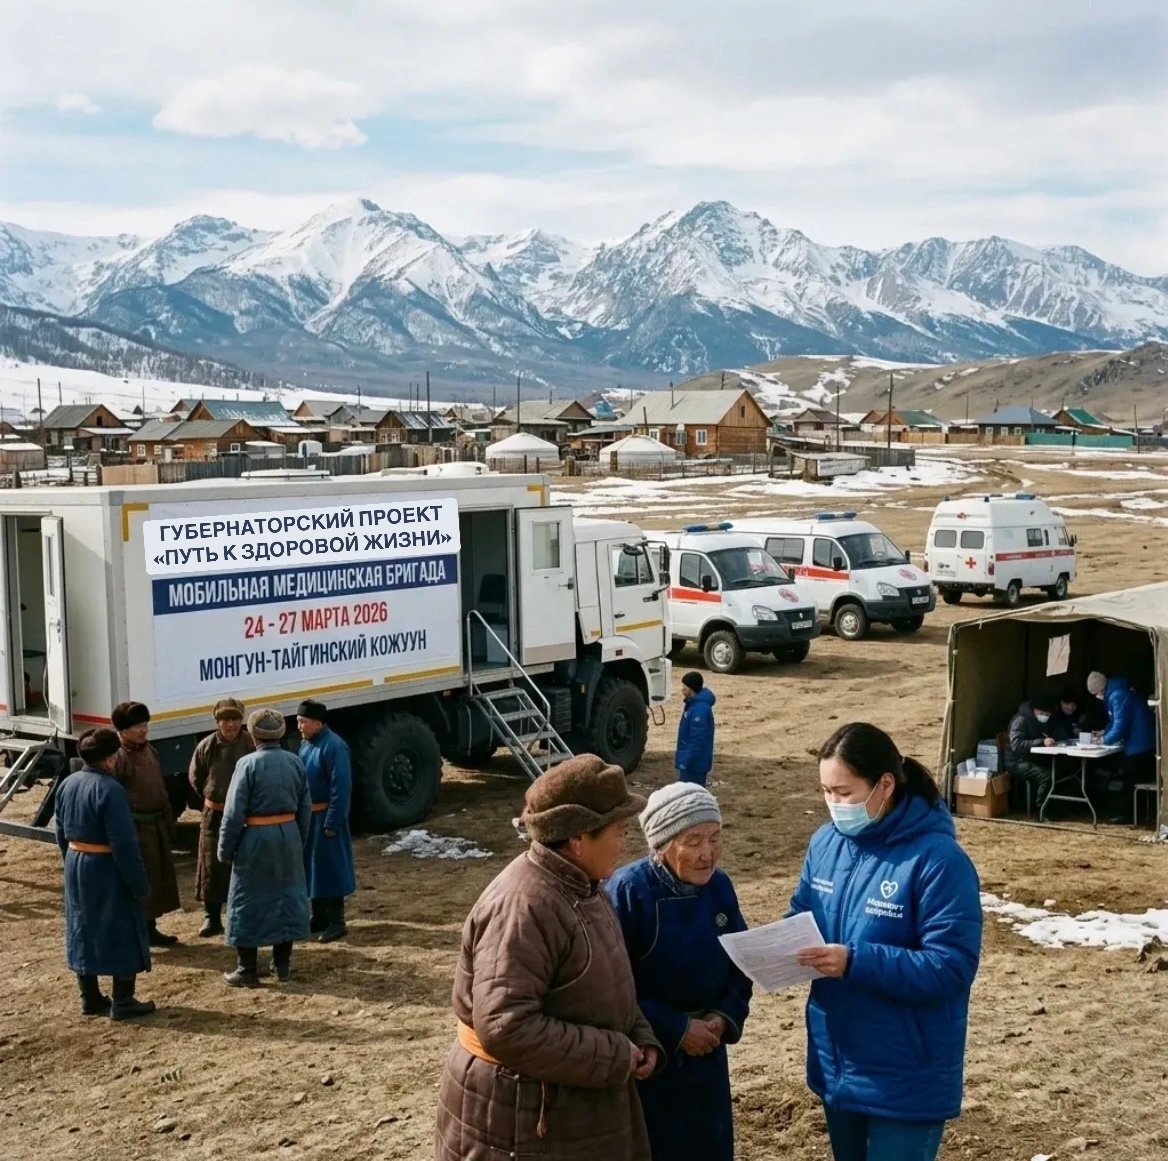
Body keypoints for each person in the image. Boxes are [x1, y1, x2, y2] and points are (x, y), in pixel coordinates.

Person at [435, 754, 663, 1161]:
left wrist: (639, 1036)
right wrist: (613, 1053)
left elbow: (608, 983)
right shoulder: (525, 906)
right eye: (618, 831)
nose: (625, 843)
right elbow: (506, 1025)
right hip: (522, 1120)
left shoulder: (583, 886)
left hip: (571, 1108)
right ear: (578, 839)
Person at [789, 722, 982, 1161]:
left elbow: (951, 967)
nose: (834, 805)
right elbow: (802, 913)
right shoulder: (825, 844)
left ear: (885, 785)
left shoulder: (939, 862)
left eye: (844, 792)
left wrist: (855, 962)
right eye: (826, 792)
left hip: (906, 1075)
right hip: (838, 1061)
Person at [607, 782, 752, 1161]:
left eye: (715, 838)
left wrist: (722, 1017)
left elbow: (743, 961)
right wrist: (677, 1029)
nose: (708, 854)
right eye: (693, 841)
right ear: (661, 844)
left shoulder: (719, 887)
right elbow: (612, 986)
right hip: (651, 1059)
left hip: (709, 1052)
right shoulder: (628, 893)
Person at [55, 728, 156, 1020]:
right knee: (121, 925)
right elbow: (124, 844)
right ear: (111, 758)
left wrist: (72, 861)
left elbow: (60, 832)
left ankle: (90, 997)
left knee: (82, 927)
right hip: (106, 865)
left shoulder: (68, 783)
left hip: (76, 862)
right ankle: (123, 1001)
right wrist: (138, 883)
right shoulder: (111, 790)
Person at [217, 708, 312, 986]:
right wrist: (298, 840)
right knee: (286, 897)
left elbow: (234, 813)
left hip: (256, 838)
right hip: (288, 836)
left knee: (248, 899)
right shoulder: (295, 762)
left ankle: (246, 969)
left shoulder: (247, 764)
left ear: (254, 733)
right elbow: (305, 808)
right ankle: (282, 965)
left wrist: (225, 848)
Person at [111, 701, 181, 946]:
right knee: (139, 880)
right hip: (135, 828)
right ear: (122, 730)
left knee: (156, 880)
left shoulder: (150, 751)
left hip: (156, 824)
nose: (143, 730)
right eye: (137, 726)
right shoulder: (118, 757)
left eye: (145, 724)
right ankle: (136, 932)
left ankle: (150, 928)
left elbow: (160, 789)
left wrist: (168, 820)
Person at [188, 698, 255, 937]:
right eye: (226, 720)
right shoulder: (207, 746)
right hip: (215, 813)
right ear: (217, 722)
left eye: (236, 719)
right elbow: (196, 778)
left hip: (246, 815)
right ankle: (212, 918)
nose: (232, 725)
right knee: (211, 865)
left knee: (246, 865)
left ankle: (246, 915)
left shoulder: (251, 742)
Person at [297, 700, 356, 943]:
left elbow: (340, 787)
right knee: (313, 868)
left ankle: (336, 921)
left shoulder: (334, 747)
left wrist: (332, 822)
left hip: (326, 817)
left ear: (318, 723)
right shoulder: (305, 745)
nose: (300, 726)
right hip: (310, 817)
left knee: (330, 869)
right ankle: (318, 916)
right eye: (298, 721)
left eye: (304, 722)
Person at [1087, 670, 1156, 822]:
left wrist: (1104, 740)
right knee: (1135, 779)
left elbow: (1120, 725)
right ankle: (1140, 813)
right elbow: (1115, 721)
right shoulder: (1118, 692)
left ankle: (1130, 815)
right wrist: (1105, 732)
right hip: (1142, 741)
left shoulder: (1117, 696)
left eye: (1095, 693)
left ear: (1100, 689)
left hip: (1138, 745)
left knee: (1131, 781)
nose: (1096, 697)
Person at [1004, 694, 1057, 808]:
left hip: (1030, 757)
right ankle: (1041, 810)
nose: (1045, 716)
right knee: (1046, 775)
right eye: (1042, 714)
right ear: (1035, 710)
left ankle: (1052, 806)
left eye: (1048, 715)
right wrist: (1041, 742)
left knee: (1057, 769)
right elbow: (1016, 745)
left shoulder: (1038, 721)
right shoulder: (1020, 720)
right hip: (1016, 762)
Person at [675, 671, 716, 786]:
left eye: (684, 687)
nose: (682, 689)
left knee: (690, 795)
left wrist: (686, 760)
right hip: (693, 763)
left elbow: (697, 739)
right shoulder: (693, 705)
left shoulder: (699, 709)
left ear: (691, 689)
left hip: (694, 764)